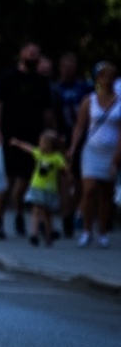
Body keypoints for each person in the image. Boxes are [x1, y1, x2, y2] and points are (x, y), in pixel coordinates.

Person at [0, 42, 54, 238]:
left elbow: (47, 111)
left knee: (26, 180)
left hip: (34, 138)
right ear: (22, 54)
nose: (33, 57)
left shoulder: (42, 82)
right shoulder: (8, 78)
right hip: (10, 136)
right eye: (30, 53)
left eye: (36, 54)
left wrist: (51, 134)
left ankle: (19, 214)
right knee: (6, 180)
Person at [69, 61, 121, 248]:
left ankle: (103, 232)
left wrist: (118, 154)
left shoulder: (119, 102)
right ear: (97, 78)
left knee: (106, 194)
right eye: (103, 76)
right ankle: (86, 230)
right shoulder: (89, 101)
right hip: (91, 150)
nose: (107, 80)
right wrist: (73, 147)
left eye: (111, 77)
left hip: (110, 151)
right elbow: (80, 127)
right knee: (89, 190)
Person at [51, 53, 92, 237]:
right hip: (63, 136)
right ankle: (66, 215)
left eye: (71, 67)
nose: (67, 70)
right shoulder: (56, 89)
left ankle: (72, 212)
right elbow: (51, 114)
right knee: (65, 178)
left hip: (84, 138)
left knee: (81, 181)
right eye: (64, 67)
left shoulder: (84, 87)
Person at [10, 131, 68, 246]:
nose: (42, 145)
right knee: (36, 210)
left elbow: (65, 168)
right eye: (41, 142)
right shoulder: (39, 154)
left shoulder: (56, 157)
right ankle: (34, 234)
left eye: (45, 143)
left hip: (50, 189)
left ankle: (48, 234)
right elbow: (28, 148)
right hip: (37, 187)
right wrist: (17, 143)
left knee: (47, 213)